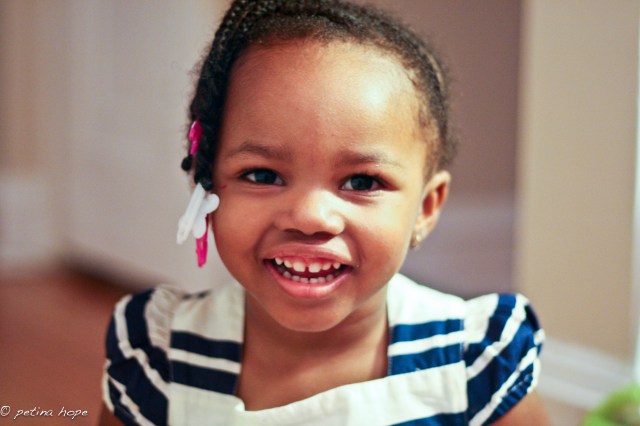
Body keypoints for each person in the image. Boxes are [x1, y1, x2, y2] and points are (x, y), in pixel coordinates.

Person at [99, 0, 549, 424]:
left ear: (425, 208)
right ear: (206, 185)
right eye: (262, 175)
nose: (310, 217)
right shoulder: (158, 357)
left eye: (361, 182)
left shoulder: (472, 365)